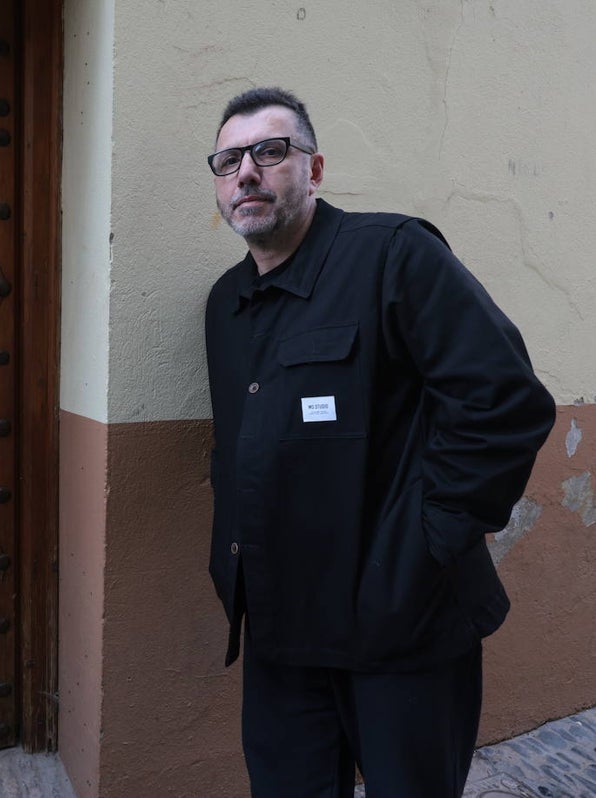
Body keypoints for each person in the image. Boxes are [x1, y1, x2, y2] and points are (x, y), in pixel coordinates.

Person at [203, 87, 557, 798]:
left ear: (315, 168)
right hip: (281, 634)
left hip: (401, 630)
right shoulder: (225, 306)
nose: (247, 172)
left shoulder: (393, 255)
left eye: (272, 151)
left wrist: (427, 546)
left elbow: (506, 402)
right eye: (228, 159)